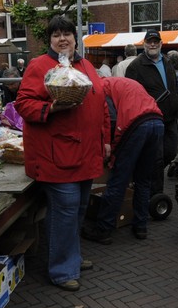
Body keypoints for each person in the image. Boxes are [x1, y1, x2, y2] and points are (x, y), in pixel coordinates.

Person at [14, 15, 110, 292]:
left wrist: (106, 140)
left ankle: (72, 257)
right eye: (56, 35)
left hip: (86, 153)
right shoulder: (39, 66)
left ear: (75, 37)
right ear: (50, 40)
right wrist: (51, 108)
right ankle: (61, 270)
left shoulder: (86, 65)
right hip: (57, 156)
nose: (63, 39)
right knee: (65, 211)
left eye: (67, 33)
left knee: (78, 210)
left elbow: (101, 104)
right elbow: (24, 104)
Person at [81, 77, 164, 244]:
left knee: (118, 180)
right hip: (157, 122)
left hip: (136, 126)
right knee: (143, 180)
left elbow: (111, 120)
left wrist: (110, 149)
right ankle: (140, 226)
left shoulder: (101, 87)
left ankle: (103, 229)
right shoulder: (123, 82)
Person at [126, 31, 178, 196]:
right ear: (144, 44)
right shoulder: (135, 66)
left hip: (170, 118)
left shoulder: (167, 62)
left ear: (161, 43)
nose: (152, 44)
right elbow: (130, 97)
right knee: (156, 159)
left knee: (171, 151)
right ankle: (156, 198)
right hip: (151, 120)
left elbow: (173, 86)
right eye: (149, 41)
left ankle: (145, 174)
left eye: (156, 41)